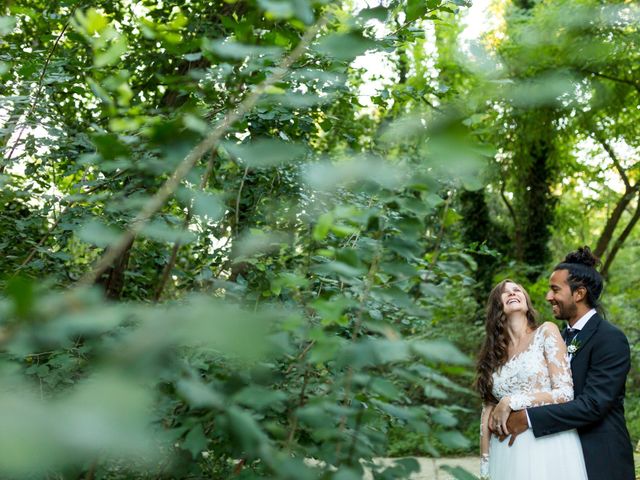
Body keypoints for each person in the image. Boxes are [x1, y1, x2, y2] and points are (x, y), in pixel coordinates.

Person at [495, 247, 635, 479]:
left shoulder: (609, 338)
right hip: (556, 456)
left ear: (579, 294)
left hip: (600, 458)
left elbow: (593, 404)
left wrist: (527, 418)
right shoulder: (554, 338)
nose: (549, 297)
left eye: (555, 290)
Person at [475, 279, 588, 480]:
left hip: (546, 443)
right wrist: (485, 465)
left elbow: (565, 393)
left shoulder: (546, 332)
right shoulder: (493, 353)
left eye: (517, 290)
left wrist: (512, 401)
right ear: (496, 306)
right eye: (505, 292)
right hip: (505, 451)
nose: (512, 293)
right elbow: (488, 411)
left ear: (526, 301)